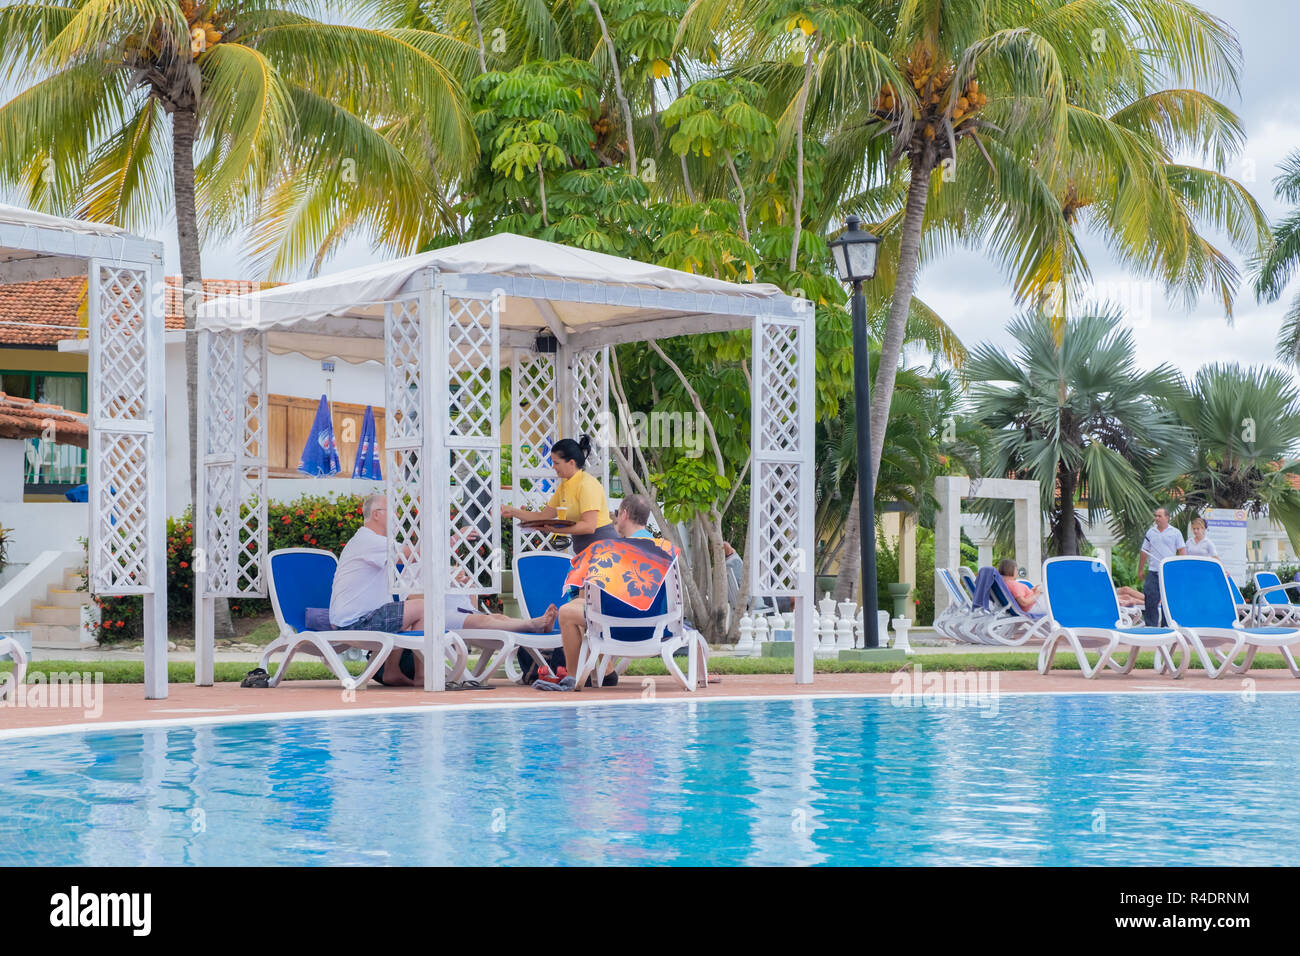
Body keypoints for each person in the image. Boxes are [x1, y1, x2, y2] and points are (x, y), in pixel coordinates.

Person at [330, 494, 558, 686]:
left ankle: (417, 674)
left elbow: (412, 561)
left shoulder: (375, 544)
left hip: (367, 616)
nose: (398, 516)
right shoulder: (368, 541)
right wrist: (455, 538)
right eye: (393, 511)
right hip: (356, 620)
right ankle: (419, 673)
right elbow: (414, 557)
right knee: (424, 607)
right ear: (377, 514)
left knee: (419, 610)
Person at [501, 435, 617, 555]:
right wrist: (512, 512)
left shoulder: (587, 484)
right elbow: (543, 516)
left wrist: (558, 529)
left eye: (556, 463)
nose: (553, 467)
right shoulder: (564, 486)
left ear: (571, 463)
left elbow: (589, 526)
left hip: (605, 549)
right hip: (586, 550)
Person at [1137, 507, 1186, 627]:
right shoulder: (1150, 532)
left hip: (1169, 572)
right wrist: (1141, 569)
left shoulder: (1175, 532)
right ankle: (1151, 627)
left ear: (1167, 517)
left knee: (1167, 601)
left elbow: (1182, 551)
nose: (1156, 518)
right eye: (1156, 516)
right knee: (1150, 597)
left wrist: (1180, 569)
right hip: (1153, 571)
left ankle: (1166, 627)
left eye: (1159, 516)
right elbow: (1144, 551)